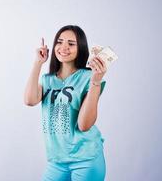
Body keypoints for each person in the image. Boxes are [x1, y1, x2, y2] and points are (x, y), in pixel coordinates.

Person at [24, 25, 107, 181]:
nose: (63, 47)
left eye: (71, 44)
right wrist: (37, 63)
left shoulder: (89, 77)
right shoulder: (47, 80)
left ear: (80, 48)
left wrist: (95, 81)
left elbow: (84, 125)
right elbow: (29, 100)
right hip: (57, 161)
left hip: (86, 158)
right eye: (59, 42)